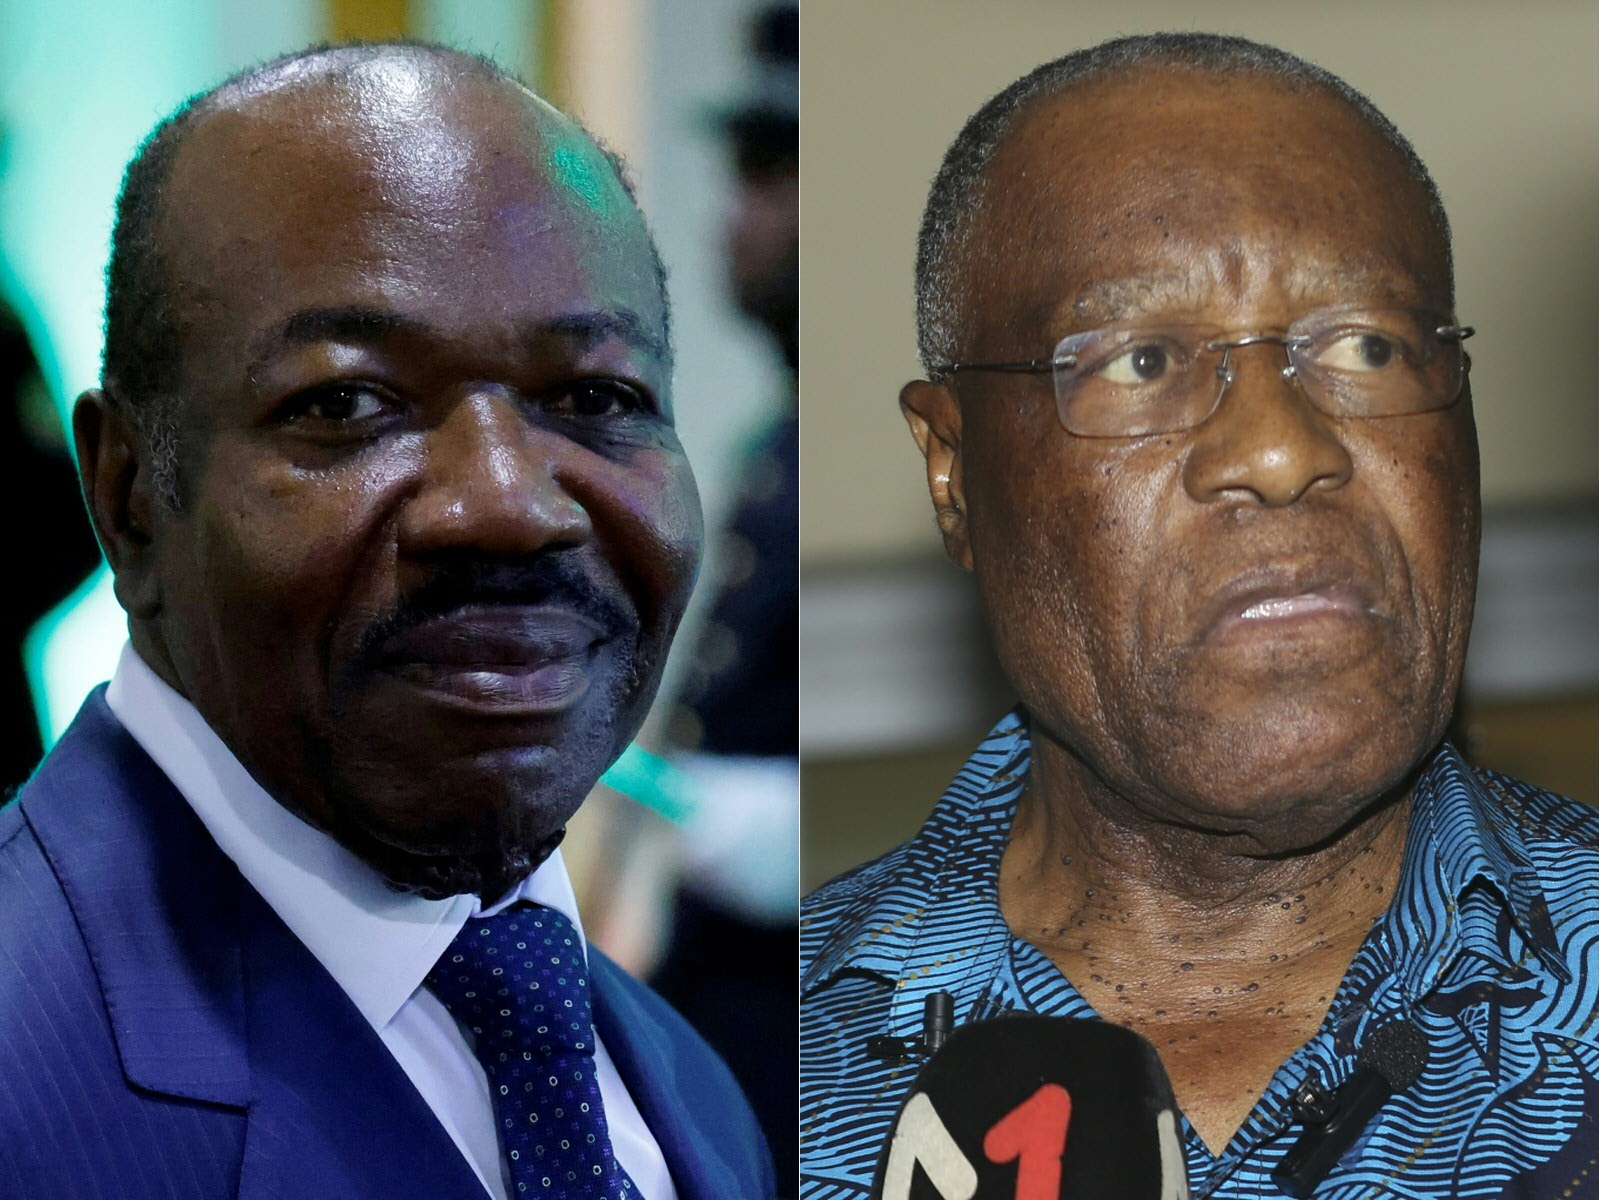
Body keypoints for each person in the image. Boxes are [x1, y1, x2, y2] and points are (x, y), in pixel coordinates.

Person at [800, 32, 1595, 1198]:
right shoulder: (750, 1076)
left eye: (1368, 344)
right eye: (1140, 362)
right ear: (954, 472)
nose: (1277, 449)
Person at [0, 43, 773, 1200]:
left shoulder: (681, 1090)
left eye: (595, 396)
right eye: (348, 402)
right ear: (127, 495)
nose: (507, 504)